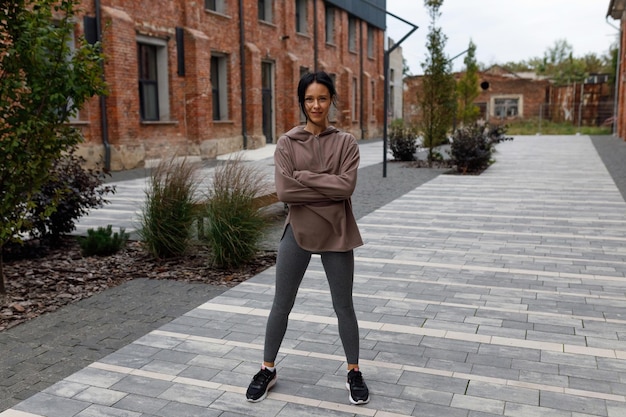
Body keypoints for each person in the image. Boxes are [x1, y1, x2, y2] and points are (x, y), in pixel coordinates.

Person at [245, 71, 370, 405]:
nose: (316, 105)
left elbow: (347, 187)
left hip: (338, 232)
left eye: (322, 98)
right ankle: (267, 368)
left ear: (332, 100)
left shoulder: (346, 142)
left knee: (344, 306)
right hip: (297, 231)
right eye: (310, 99)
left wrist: (304, 178)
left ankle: (354, 372)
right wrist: (324, 183)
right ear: (302, 102)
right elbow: (285, 191)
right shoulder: (288, 142)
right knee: (281, 304)